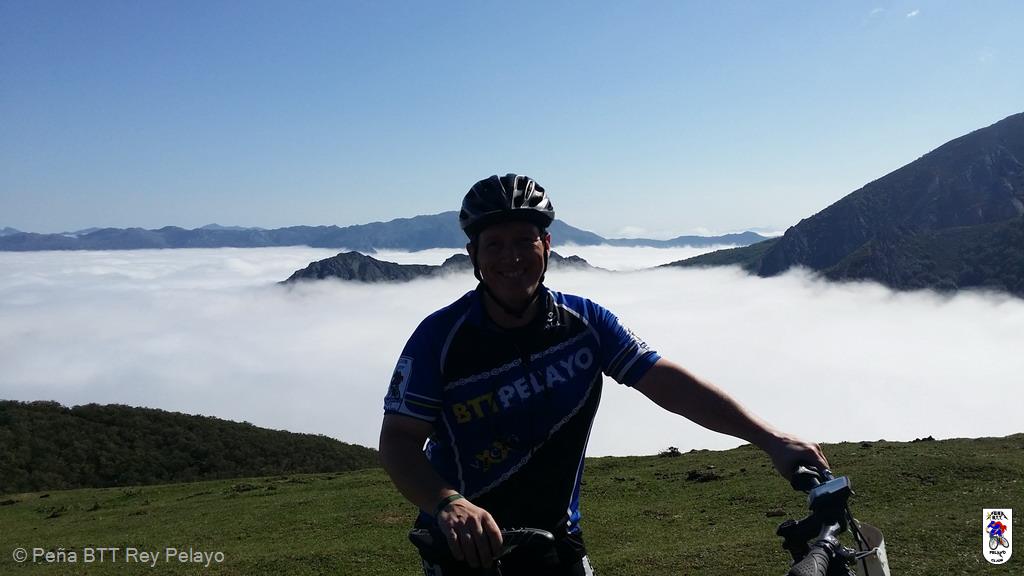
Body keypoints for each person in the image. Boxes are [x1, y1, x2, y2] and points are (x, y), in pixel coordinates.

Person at [379, 174, 829, 575]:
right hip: (466, 546)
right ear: (472, 254)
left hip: (557, 539)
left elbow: (667, 382)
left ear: (547, 245)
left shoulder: (586, 324)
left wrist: (771, 439)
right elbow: (399, 440)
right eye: (494, 244)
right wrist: (448, 503)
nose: (510, 256)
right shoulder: (439, 339)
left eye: (524, 240)